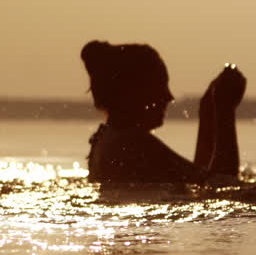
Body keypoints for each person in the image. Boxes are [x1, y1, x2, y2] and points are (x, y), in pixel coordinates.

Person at [80, 40, 245, 191]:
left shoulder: (107, 138)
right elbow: (225, 186)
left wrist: (208, 114)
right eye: (160, 86)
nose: (169, 97)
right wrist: (225, 112)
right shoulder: (135, 144)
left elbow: (199, 180)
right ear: (132, 92)